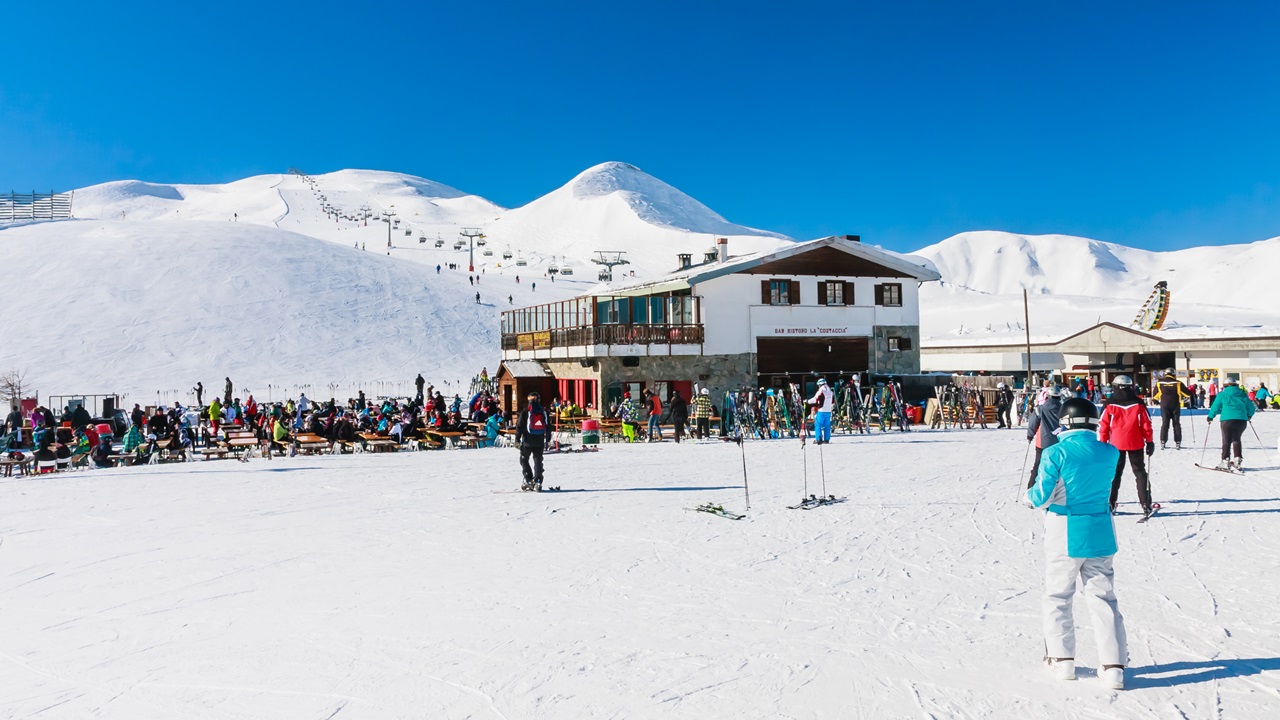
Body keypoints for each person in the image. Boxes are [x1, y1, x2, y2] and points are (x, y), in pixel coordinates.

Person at [1027, 397, 1129, 690]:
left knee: (1059, 594)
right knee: (1103, 596)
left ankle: (1062, 659)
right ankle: (1113, 666)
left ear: (1065, 422)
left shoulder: (1055, 452)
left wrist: (1028, 498)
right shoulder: (1110, 451)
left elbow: (1041, 496)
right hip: (1100, 530)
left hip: (1066, 529)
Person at [1098, 376, 1154, 517]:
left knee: (1115, 473)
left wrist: (1103, 444)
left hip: (1116, 444)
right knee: (1140, 472)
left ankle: (1110, 503)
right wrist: (1150, 441)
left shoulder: (1109, 404)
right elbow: (1146, 424)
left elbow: (1103, 426)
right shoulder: (1138, 403)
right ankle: (1145, 503)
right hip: (1135, 442)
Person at [1207, 377, 1255, 470]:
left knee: (1226, 440)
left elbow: (1215, 407)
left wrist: (1210, 416)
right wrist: (1248, 415)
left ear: (1225, 385)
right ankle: (1237, 460)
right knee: (1236, 439)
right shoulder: (1243, 394)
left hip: (1227, 420)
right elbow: (1251, 408)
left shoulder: (1222, 394)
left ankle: (1225, 460)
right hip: (1241, 420)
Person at [1026, 385, 1064, 488]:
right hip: (1060, 442)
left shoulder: (1040, 409)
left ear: (1047, 396)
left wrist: (1030, 435)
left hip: (1043, 442)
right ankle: (1058, 489)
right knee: (1060, 466)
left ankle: (1031, 488)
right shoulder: (1064, 409)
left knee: (1038, 465)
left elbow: (1033, 423)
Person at [514, 392, 551, 491]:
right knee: (538, 460)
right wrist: (547, 439)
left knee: (524, 459)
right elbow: (548, 426)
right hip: (539, 441)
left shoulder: (526, 412)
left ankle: (529, 479)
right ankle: (538, 481)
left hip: (527, 441)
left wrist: (517, 439)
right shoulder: (544, 412)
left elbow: (520, 427)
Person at [1153, 368, 1190, 450]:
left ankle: (1163, 441)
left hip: (1164, 405)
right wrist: (1187, 398)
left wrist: (1155, 400)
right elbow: (1187, 393)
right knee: (1176, 424)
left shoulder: (1159, 383)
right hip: (1175, 405)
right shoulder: (1178, 383)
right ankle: (1178, 441)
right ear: (1173, 374)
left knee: (1165, 423)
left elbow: (1155, 395)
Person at [807, 378, 834, 444]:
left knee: (818, 424)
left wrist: (807, 401)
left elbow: (815, 399)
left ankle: (818, 439)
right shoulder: (830, 391)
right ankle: (826, 439)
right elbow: (833, 401)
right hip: (828, 410)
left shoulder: (821, 390)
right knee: (827, 425)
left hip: (822, 410)